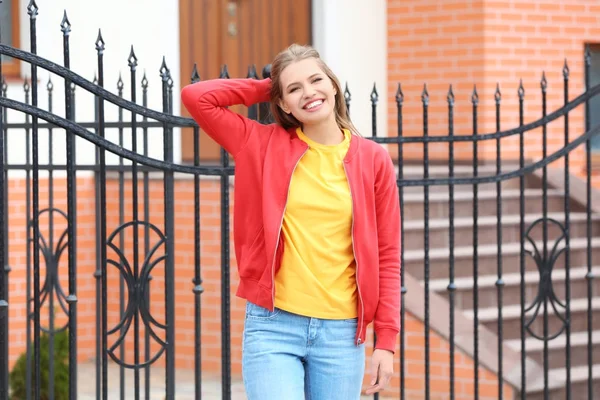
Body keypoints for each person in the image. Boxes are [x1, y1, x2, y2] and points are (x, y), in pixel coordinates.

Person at [181, 44, 401, 400]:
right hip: (274, 326)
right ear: (281, 102)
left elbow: (388, 255)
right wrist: (266, 86)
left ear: (333, 85)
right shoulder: (260, 143)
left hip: (342, 334)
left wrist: (386, 342)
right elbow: (196, 97)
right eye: (294, 89)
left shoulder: (373, 159)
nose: (309, 92)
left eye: (316, 80)